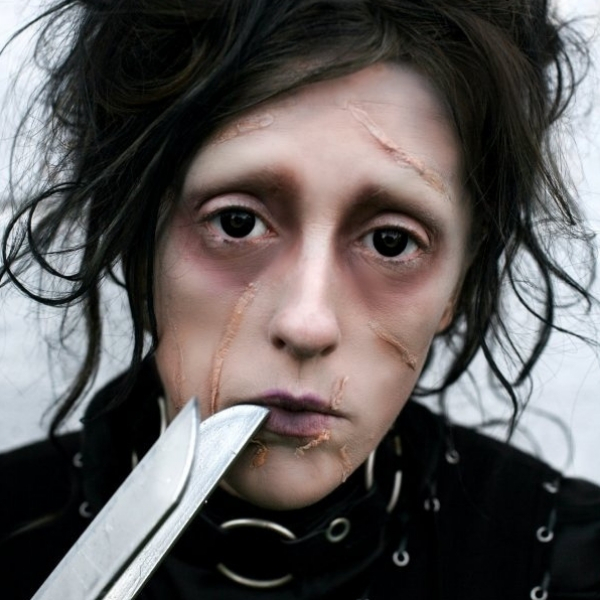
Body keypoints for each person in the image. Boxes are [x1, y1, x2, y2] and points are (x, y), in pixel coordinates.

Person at [1, 0, 599, 598]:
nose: (307, 324)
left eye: (391, 242)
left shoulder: (573, 569)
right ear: (139, 244)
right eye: (236, 223)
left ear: (459, 282)